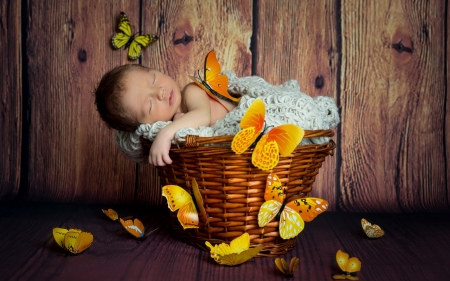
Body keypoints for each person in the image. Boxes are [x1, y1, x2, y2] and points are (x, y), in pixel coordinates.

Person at [95, 64, 238, 166]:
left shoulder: (191, 91)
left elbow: (203, 116)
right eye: (150, 105)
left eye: (153, 80)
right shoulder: (175, 129)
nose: (160, 92)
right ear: (147, 125)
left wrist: (166, 134)